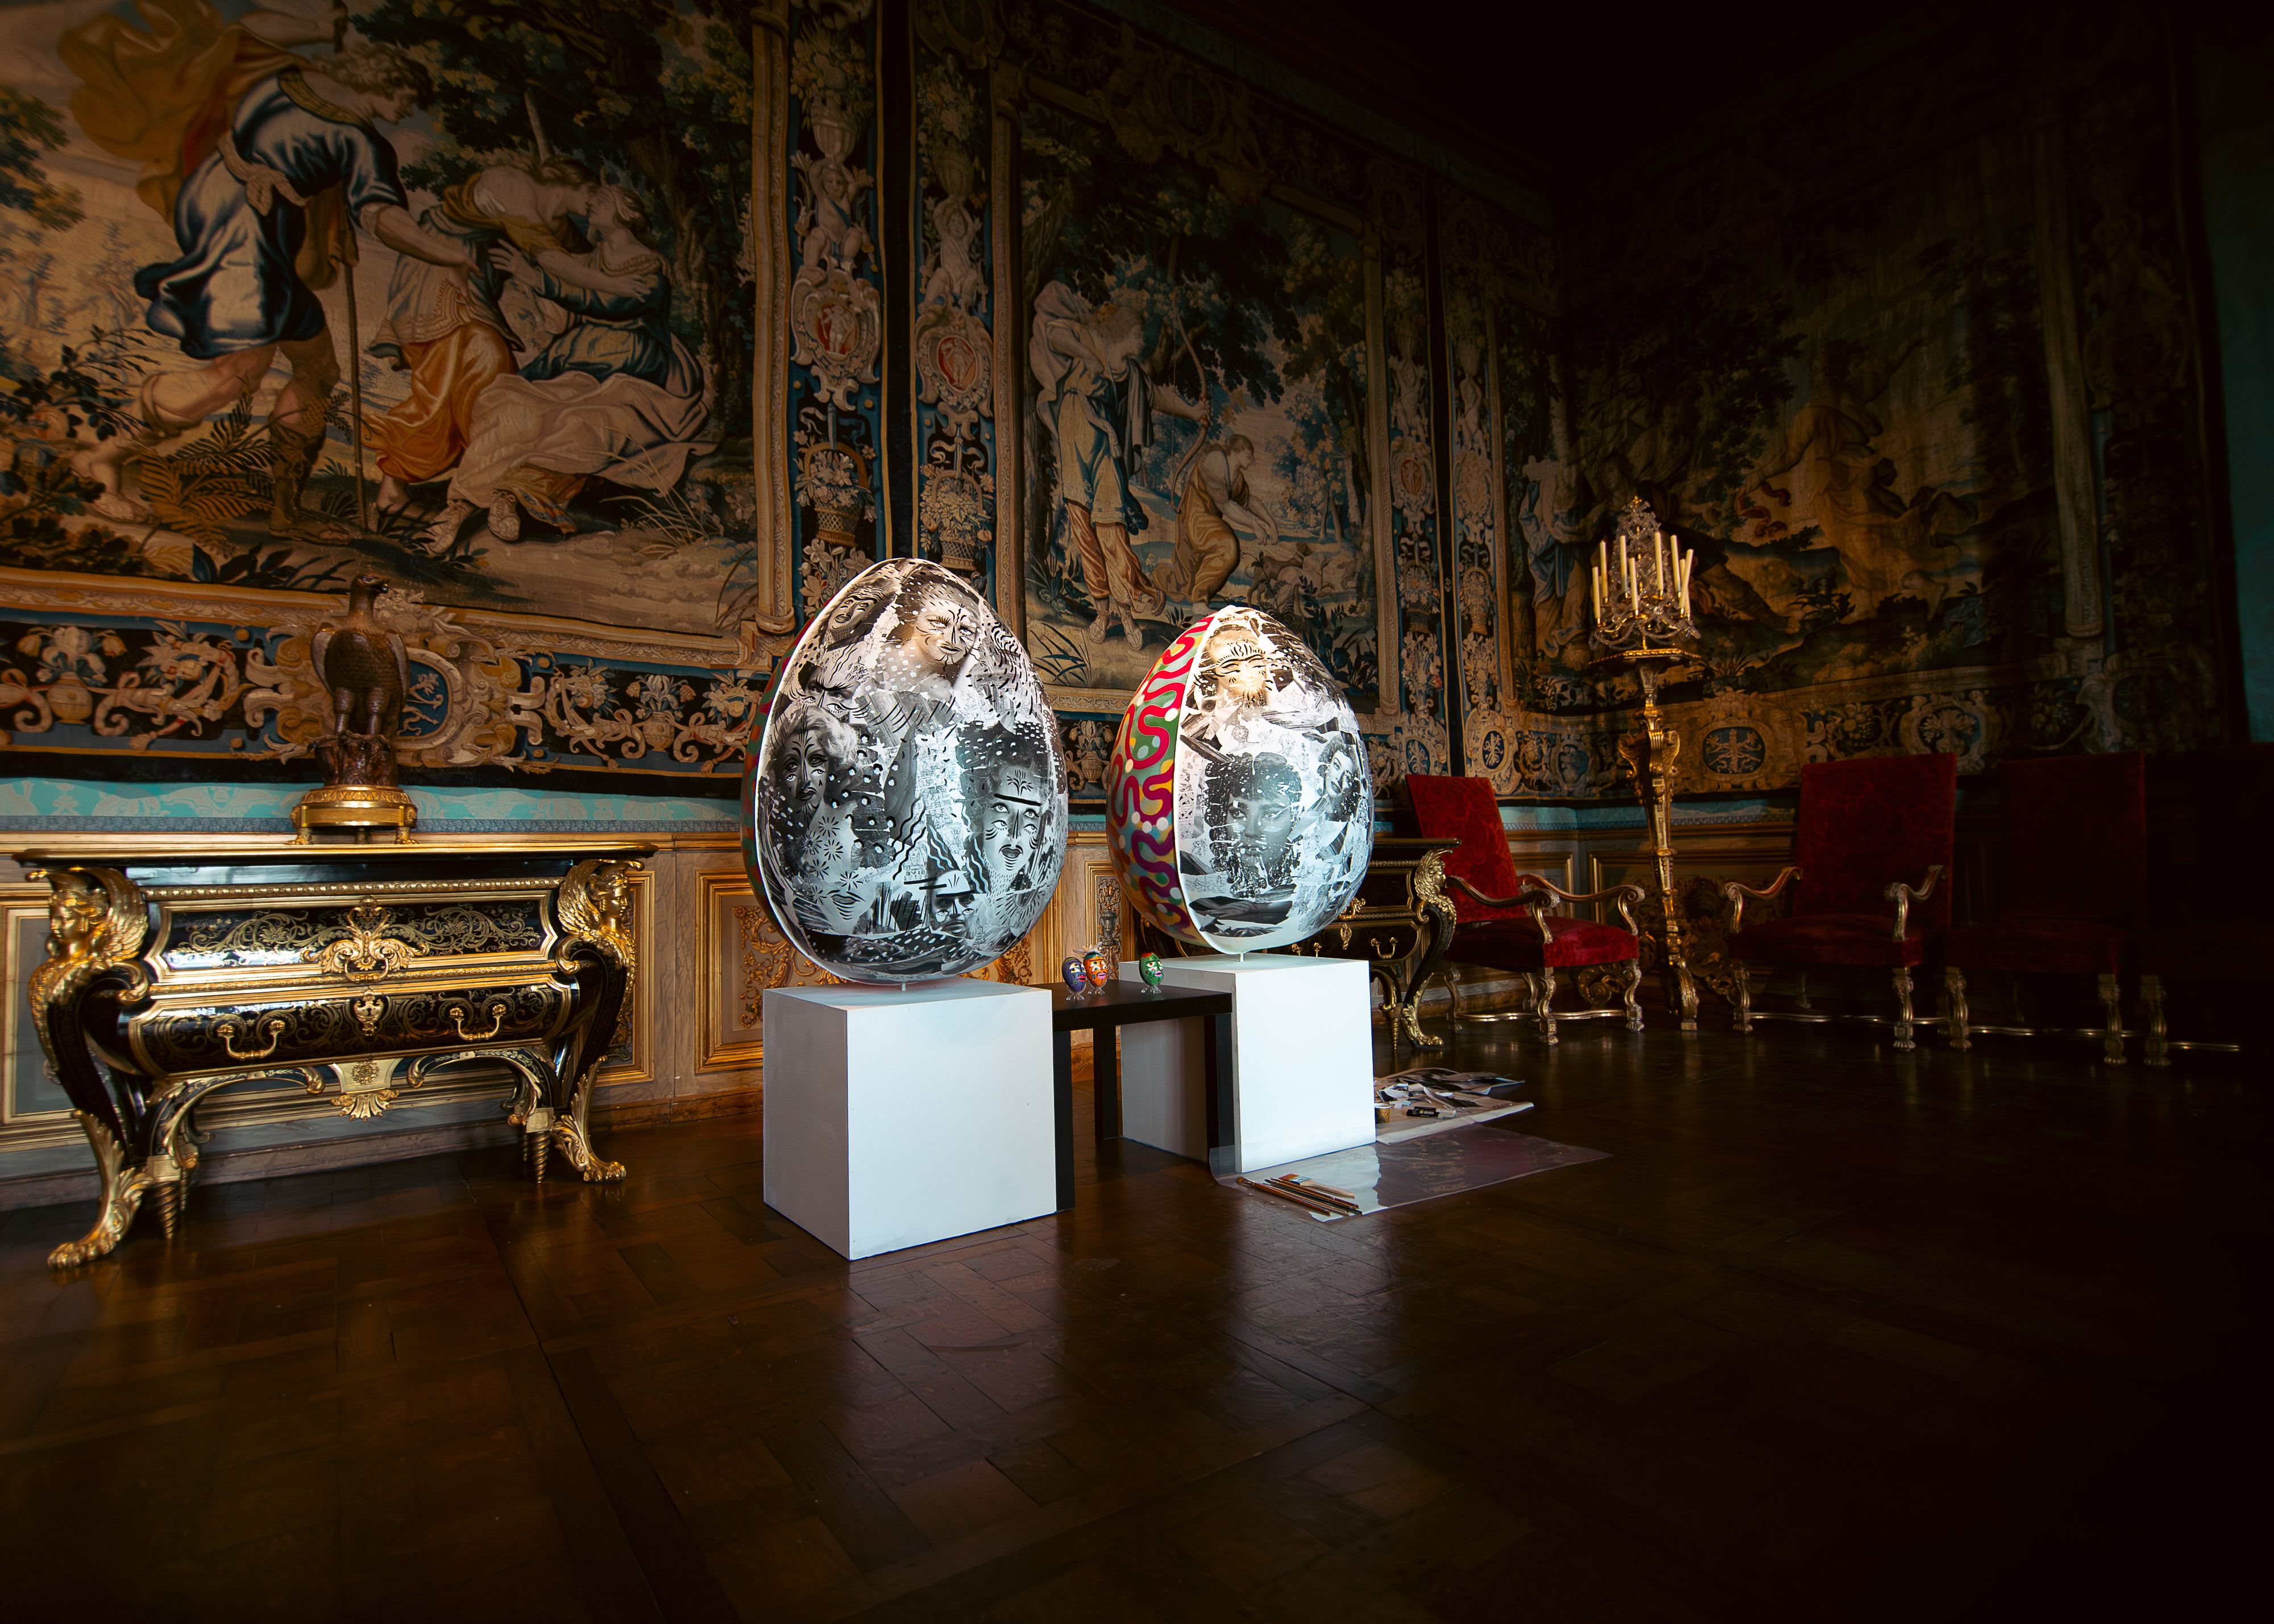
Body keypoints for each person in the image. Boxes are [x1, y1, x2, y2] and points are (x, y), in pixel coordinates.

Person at [61, 23, 474, 538]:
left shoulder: (284, 81)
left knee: (318, 370)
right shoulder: (358, 138)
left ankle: (286, 510)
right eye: (405, 98)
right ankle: (103, 455)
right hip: (248, 238)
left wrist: (316, 32)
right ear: (384, 83)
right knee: (235, 376)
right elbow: (383, 218)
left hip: (235, 218)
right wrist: (450, 253)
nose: (404, 111)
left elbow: (241, 42)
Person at [422, 185, 709, 549]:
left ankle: (510, 495)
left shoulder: (649, 265)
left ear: (626, 212)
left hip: (627, 373)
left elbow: (611, 305)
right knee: (513, 411)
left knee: (581, 427)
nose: (591, 203)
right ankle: (461, 506)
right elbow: (567, 304)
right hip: (574, 362)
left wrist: (539, 280)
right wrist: (538, 287)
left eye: (602, 199)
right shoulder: (589, 262)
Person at [367, 156, 598, 517]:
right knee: (465, 369)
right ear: (570, 181)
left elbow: (584, 264)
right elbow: (552, 259)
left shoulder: (562, 226)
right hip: (441, 269)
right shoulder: (510, 183)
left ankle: (481, 484)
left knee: (489, 379)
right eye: (592, 191)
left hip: (477, 285)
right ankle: (400, 486)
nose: (595, 202)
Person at [1029, 281, 1202, 647]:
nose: (1141, 341)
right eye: (1138, 334)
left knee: (1112, 526)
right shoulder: (1091, 340)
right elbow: (1055, 333)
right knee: (1083, 526)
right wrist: (1086, 354)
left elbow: (1158, 398)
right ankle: (1103, 611)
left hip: (1105, 443)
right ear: (1124, 332)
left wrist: (1193, 411)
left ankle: (1127, 611)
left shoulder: (1133, 374)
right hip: (1076, 430)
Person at [1157, 434, 1275, 607]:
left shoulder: (1236, 477)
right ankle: (1199, 600)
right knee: (1228, 546)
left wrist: (1271, 523)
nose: (1253, 461)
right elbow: (1225, 505)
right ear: (1238, 451)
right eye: (1249, 455)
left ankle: (1198, 594)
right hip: (1196, 519)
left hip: (1210, 520)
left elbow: (1249, 501)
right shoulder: (1214, 462)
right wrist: (1255, 525)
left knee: (1189, 575)